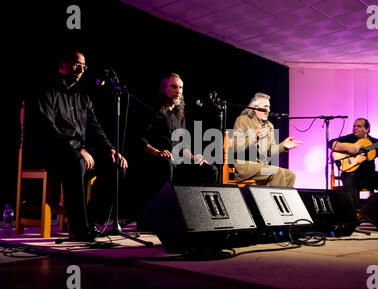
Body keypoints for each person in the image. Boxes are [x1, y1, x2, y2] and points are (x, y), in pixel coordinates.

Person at [24, 48, 128, 241]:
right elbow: (47, 128)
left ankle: (91, 219)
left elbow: (96, 128)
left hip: (77, 154)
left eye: (83, 66)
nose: (80, 69)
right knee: (75, 160)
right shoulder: (47, 90)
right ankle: (78, 227)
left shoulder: (84, 97)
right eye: (76, 64)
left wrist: (110, 149)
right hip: (50, 150)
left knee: (117, 167)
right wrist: (76, 148)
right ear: (62, 65)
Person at [128, 73, 218, 216]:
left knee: (210, 169)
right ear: (164, 89)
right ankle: (163, 216)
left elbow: (183, 146)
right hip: (156, 159)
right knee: (166, 164)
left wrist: (194, 157)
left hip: (177, 161)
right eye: (174, 87)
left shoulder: (179, 114)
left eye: (181, 88)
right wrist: (157, 151)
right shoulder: (153, 110)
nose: (178, 91)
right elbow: (140, 138)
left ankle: (199, 216)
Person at [232, 92, 300, 187]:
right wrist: (254, 138)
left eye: (269, 107)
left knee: (290, 175)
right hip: (246, 167)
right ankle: (274, 201)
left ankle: (284, 201)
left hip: (262, 166)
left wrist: (283, 146)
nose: (268, 110)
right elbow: (235, 147)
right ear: (255, 109)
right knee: (278, 172)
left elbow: (270, 153)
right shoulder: (243, 120)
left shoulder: (269, 126)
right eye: (265, 107)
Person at [329, 118, 378, 206]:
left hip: (368, 174)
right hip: (351, 173)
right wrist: (351, 149)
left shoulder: (374, 142)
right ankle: (353, 214)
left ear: (367, 129)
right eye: (354, 126)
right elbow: (331, 143)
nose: (355, 128)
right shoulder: (349, 138)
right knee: (350, 181)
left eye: (359, 126)